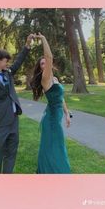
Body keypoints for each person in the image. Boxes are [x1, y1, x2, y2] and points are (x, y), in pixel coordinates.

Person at [0, 34, 34, 173]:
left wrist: (27, 45)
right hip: (0, 122)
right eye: (5, 61)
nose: (8, 64)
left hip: (13, 119)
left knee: (11, 153)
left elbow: (19, 61)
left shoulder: (8, 73)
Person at [30, 33, 71, 173]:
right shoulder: (45, 79)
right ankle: (50, 172)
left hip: (56, 115)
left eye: (45, 62)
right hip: (51, 120)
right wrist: (43, 38)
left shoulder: (55, 80)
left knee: (55, 145)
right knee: (53, 146)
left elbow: (61, 98)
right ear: (41, 67)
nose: (45, 64)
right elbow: (49, 57)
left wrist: (67, 114)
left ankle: (49, 171)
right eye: (42, 63)